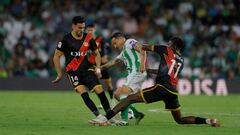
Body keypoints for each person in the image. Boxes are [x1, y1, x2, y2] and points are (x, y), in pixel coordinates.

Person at [91, 37, 221, 127]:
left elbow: (143, 47)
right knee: (180, 120)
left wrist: (132, 45)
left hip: (161, 88)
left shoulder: (166, 49)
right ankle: (208, 121)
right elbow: (166, 72)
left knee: (129, 99)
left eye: (170, 42)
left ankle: (104, 119)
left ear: (173, 45)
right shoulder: (181, 60)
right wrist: (148, 70)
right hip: (173, 91)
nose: (168, 44)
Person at [52, 16, 112, 123]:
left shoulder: (88, 38)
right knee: (83, 93)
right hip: (73, 72)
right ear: (73, 26)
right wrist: (59, 74)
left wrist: (98, 68)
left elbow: (97, 54)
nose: (81, 30)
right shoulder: (66, 39)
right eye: (79, 28)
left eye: (83, 28)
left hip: (87, 70)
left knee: (100, 91)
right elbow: (56, 56)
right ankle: (99, 117)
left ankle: (109, 116)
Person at [100, 32, 146, 125]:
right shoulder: (124, 52)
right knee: (117, 94)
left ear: (120, 38)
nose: (115, 46)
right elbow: (113, 62)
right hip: (132, 74)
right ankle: (137, 114)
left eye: (115, 43)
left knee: (124, 96)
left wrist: (142, 64)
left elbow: (143, 49)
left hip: (137, 72)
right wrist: (99, 68)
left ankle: (124, 121)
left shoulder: (129, 42)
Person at [86, 23, 115, 107]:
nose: (90, 31)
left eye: (91, 30)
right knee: (96, 86)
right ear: (86, 31)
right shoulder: (85, 41)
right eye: (88, 30)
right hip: (92, 66)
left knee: (108, 84)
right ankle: (104, 102)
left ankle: (112, 101)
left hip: (102, 65)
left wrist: (106, 56)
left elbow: (108, 49)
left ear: (94, 30)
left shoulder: (100, 39)